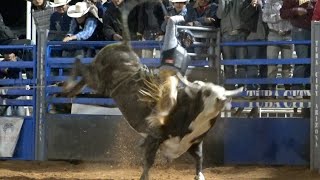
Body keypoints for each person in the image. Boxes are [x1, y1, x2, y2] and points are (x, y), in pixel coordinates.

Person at [280, 0, 317, 117]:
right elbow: (283, 13)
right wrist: (296, 10)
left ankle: (308, 89)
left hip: (315, 28)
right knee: (302, 59)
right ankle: (296, 89)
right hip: (300, 29)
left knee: (312, 61)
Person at [216, 0, 249, 90]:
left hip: (240, 34)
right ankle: (230, 88)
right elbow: (220, 14)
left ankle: (241, 88)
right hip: (226, 35)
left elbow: (245, 14)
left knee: (241, 64)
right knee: (228, 64)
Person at [262, 0, 293, 91]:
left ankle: (287, 89)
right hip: (273, 35)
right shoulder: (269, 2)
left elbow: (294, 16)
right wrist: (279, 16)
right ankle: (271, 89)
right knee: (271, 64)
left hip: (288, 35)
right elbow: (264, 17)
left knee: (287, 64)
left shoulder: (290, 2)